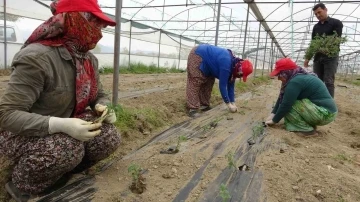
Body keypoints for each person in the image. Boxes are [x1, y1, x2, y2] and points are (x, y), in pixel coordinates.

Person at [0, 0, 121, 200]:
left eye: (101, 25)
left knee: (108, 137)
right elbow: (7, 115)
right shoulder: (37, 57)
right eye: (93, 22)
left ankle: (63, 174)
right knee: (66, 148)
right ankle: (23, 186)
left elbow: (98, 93)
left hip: (67, 125)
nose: (99, 31)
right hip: (23, 132)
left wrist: (103, 105)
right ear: (74, 20)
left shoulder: (88, 60)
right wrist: (58, 124)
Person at [265, 58, 337, 134]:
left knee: (289, 106)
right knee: (286, 102)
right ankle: (308, 124)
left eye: (280, 75)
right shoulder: (296, 77)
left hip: (325, 114)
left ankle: (305, 129)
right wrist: (273, 114)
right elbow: (280, 98)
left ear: (287, 72)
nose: (278, 78)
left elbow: (286, 104)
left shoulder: (295, 82)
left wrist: (274, 121)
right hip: (325, 112)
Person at [186, 44, 253, 117]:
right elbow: (222, 86)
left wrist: (233, 103)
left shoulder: (234, 67)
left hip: (210, 64)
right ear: (240, 70)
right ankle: (192, 109)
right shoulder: (226, 64)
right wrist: (228, 104)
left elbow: (231, 86)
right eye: (241, 75)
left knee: (209, 82)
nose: (240, 77)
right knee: (196, 81)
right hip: (198, 54)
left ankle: (204, 105)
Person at [304, 3, 343, 98]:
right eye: (316, 14)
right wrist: (307, 58)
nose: (318, 15)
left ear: (326, 10)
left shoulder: (336, 23)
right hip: (318, 57)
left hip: (331, 57)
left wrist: (325, 48)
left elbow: (336, 39)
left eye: (319, 12)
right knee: (317, 80)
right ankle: (318, 100)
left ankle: (329, 105)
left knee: (329, 81)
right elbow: (313, 43)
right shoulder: (316, 27)